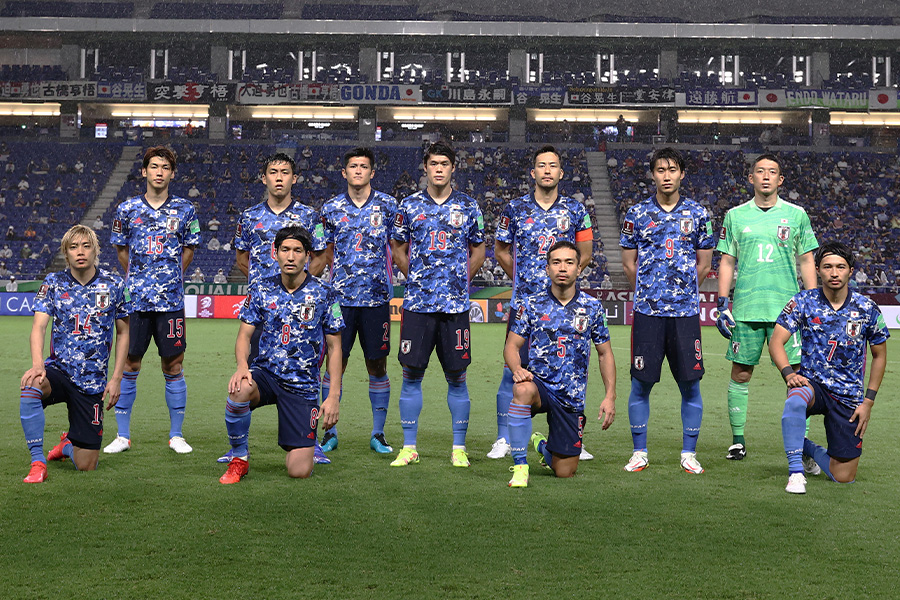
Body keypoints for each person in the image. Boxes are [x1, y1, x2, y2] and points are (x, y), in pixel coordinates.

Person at [489, 144, 595, 461]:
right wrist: (524, 280)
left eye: (553, 166)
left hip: (564, 307)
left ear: (561, 173)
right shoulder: (514, 208)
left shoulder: (577, 210)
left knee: (568, 373)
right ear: (533, 172)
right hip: (526, 306)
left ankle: (571, 437)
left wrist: (563, 282)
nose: (547, 170)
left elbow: (586, 253)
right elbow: (501, 251)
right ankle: (503, 438)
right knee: (513, 373)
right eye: (541, 165)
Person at [221, 152, 328, 464]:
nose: (279, 177)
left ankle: (312, 442)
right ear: (264, 178)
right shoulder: (249, 217)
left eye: (285, 172)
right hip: (266, 311)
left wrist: (302, 293)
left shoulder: (311, 217)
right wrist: (269, 292)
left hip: (303, 312)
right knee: (250, 377)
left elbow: (320, 257)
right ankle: (239, 448)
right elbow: (242, 259)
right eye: (273, 172)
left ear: (294, 179)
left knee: (308, 372)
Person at [219, 226, 343, 484]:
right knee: (239, 389)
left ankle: (297, 444)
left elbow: (335, 347)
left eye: (297, 250)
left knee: (299, 471)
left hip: (303, 386)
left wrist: (332, 397)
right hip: (266, 374)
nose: (290, 256)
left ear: (307, 255)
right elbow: (243, 336)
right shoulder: (261, 289)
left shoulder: (324, 293)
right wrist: (243, 366)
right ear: (274, 253)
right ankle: (239, 458)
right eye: (285, 250)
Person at [715, 153, 819, 460]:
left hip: (789, 312)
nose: (765, 176)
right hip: (746, 308)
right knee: (741, 373)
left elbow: (806, 260)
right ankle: (737, 440)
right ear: (751, 178)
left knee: (799, 376)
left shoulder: (796, 215)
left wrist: (813, 303)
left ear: (780, 180)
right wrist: (722, 303)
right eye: (760, 171)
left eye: (772, 172)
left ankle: (803, 446)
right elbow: (727, 260)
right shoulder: (735, 215)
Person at [388, 141, 485, 468]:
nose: (439, 168)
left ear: (453, 167)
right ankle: (409, 446)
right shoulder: (409, 205)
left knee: (457, 377)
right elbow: (397, 247)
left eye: (445, 163)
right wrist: (414, 275)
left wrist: (460, 280)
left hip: (455, 308)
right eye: (434, 163)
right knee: (410, 375)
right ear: (426, 168)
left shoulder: (469, 206)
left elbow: (479, 251)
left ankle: (458, 448)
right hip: (418, 304)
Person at [620, 147, 715, 474]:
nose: (666, 175)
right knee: (640, 384)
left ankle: (689, 453)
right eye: (660, 170)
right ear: (653, 174)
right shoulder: (636, 214)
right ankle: (639, 452)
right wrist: (650, 290)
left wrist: (681, 290)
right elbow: (629, 263)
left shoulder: (699, 214)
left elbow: (704, 264)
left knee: (691, 385)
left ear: (681, 174)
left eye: (672, 169)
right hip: (647, 314)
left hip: (685, 314)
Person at [106, 146, 201, 455]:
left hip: (171, 302)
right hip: (134, 302)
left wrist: (168, 276)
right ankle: (122, 435)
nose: (160, 171)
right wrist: (140, 278)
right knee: (131, 361)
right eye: (154, 166)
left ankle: (176, 435)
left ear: (172, 174)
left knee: (173, 364)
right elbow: (122, 251)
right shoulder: (126, 209)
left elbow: (188, 249)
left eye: (165, 167)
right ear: (144, 171)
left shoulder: (185, 209)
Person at [772, 242, 888, 494]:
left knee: (843, 477)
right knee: (795, 399)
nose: (834, 273)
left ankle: (806, 448)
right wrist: (789, 373)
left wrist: (868, 402)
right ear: (818, 270)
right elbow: (776, 342)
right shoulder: (802, 301)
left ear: (850, 271)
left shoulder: (867, 308)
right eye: (827, 267)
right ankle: (795, 473)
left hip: (848, 396)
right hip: (812, 385)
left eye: (840, 267)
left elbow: (879, 356)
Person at [19, 225, 130, 483]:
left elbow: (124, 333)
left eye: (86, 246)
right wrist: (38, 365)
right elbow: (39, 327)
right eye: (73, 247)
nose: (80, 252)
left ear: (96, 251)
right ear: (66, 254)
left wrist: (116, 379)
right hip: (59, 370)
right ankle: (37, 463)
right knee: (32, 385)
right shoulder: (53, 283)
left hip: (92, 383)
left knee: (86, 465)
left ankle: (67, 446)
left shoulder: (114, 284)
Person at [504, 242, 616, 488]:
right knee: (522, 390)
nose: (562, 268)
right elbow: (511, 346)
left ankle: (543, 446)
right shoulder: (531, 304)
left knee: (564, 472)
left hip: (571, 397)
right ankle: (520, 466)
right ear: (547, 269)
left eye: (569, 262)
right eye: (556, 262)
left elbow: (605, 353)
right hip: (540, 386)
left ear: (579, 269)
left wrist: (610, 396)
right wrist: (518, 370)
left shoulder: (593, 307)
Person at [319, 147, 397, 454]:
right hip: (340, 300)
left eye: (364, 166)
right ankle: (330, 432)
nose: (358, 171)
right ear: (344, 172)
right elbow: (323, 248)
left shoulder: (389, 206)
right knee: (336, 363)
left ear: (372, 172)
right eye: (353, 166)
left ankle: (378, 433)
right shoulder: (331, 207)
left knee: (377, 364)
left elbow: (399, 244)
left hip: (376, 299)